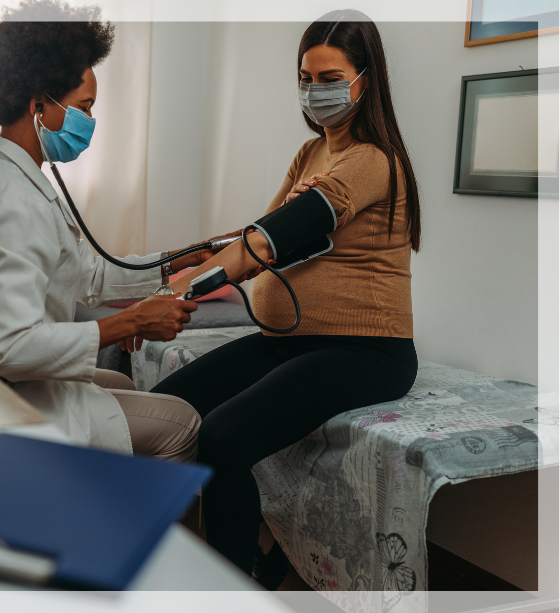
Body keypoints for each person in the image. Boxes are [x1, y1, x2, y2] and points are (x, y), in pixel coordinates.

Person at [147, 10, 422, 579]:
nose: (315, 91)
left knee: (222, 437)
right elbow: (255, 232)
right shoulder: (310, 153)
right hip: (286, 342)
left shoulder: (374, 160)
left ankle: (235, 581)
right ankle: (264, 551)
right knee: (170, 408)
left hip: (364, 351)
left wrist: (185, 288)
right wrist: (194, 257)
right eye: (306, 78)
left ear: (365, 81)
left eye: (330, 78)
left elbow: (269, 243)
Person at [0, 0, 234, 461]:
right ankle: (108, 530)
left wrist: (179, 258)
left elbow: (92, 277)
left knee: (118, 382)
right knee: (182, 424)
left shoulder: (2, 176)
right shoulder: (14, 203)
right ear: (39, 104)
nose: (90, 122)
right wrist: (131, 322)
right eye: (84, 107)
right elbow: (12, 345)